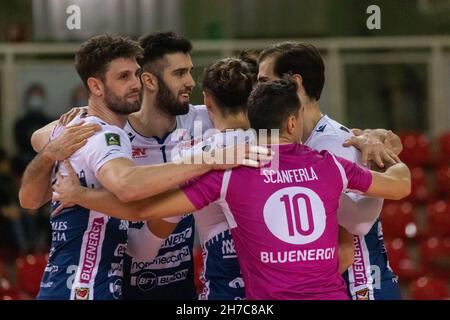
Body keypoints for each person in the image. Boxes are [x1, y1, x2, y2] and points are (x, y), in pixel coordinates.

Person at [53, 78, 411, 299]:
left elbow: (143, 211)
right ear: (291, 121)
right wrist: (377, 144)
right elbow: (400, 186)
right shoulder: (329, 164)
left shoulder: (231, 172)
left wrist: (80, 195)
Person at [18, 34, 259, 300]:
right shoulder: (106, 130)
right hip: (120, 282)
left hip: (178, 282)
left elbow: (243, 115)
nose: (190, 82)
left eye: (190, 72)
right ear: (150, 80)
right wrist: (59, 141)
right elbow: (40, 138)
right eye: (180, 73)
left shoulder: (202, 118)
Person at [257, 42, 404, 300]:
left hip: (361, 287)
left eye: (264, 81)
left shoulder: (332, 143)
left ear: (295, 83)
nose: (256, 91)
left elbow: (358, 223)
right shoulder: (306, 142)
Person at [12, 83, 54, 176]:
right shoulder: (20, 123)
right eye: (33, 96)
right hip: (27, 157)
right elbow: (21, 143)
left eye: (38, 96)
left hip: (47, 155)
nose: (36, 99)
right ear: (27, 99)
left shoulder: (50, 121)